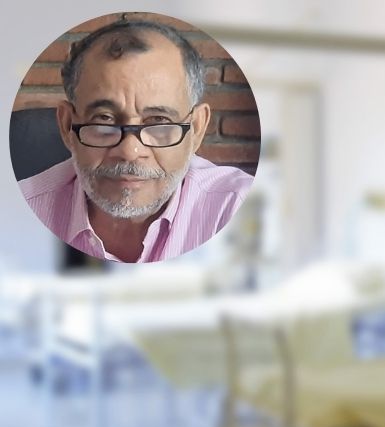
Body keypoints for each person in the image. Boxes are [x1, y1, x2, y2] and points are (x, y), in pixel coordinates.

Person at [18, 18, 253, 263]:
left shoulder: (243, 209)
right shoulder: (18, 213)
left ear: (196, 129)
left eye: (158, 121)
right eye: (104, 119)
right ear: (67, 126)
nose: (130, 151)